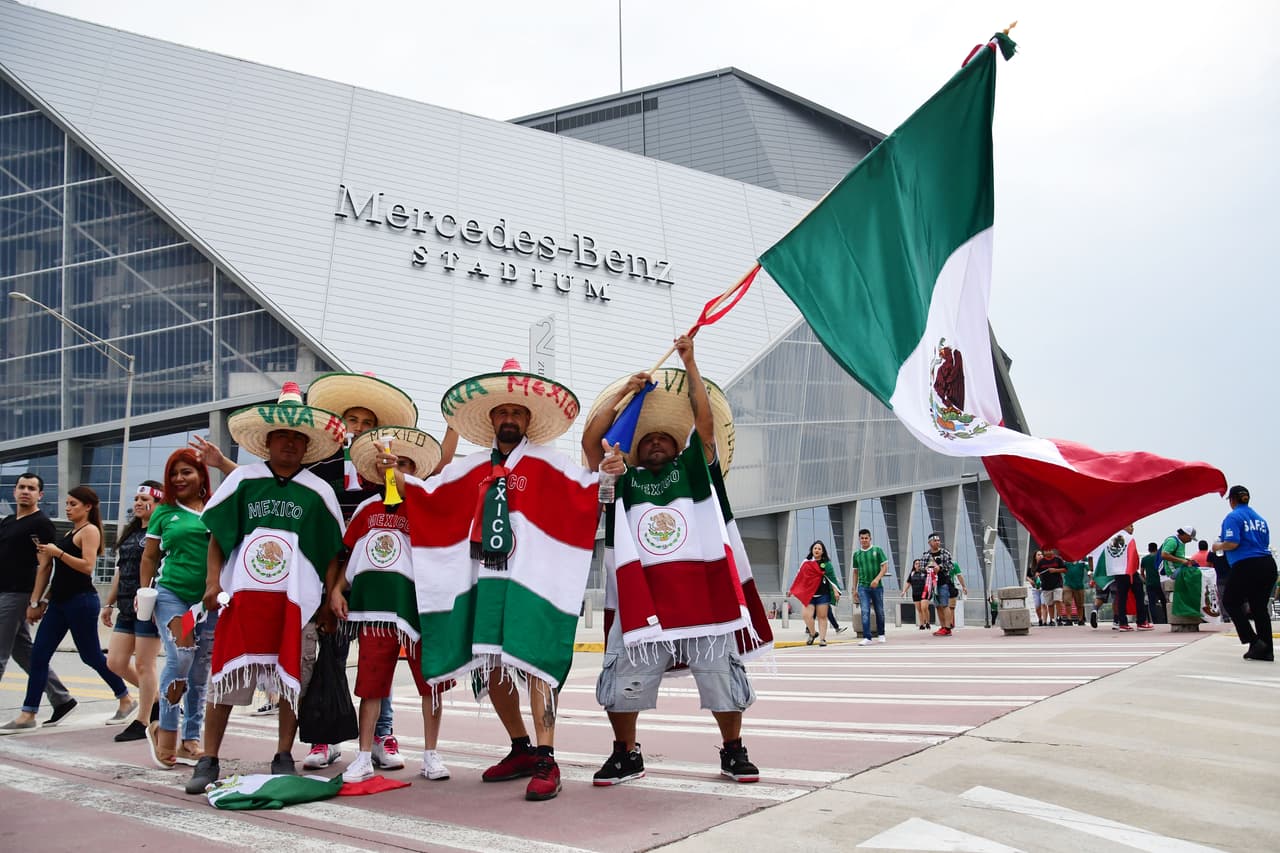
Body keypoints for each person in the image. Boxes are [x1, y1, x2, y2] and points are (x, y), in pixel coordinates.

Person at [393, 358, 623, 802]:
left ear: (528, 420)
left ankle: (546, 757)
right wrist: (391, 472)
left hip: (531, 582)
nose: (511, 419)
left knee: (535, 662)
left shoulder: (548, 464)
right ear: (492, 419)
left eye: (519, 413)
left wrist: (608, 474)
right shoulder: (471, 466)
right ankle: (520, 746)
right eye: (504, 412)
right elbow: (429, 495)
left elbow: (592, 492)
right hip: (486, 581)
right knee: (492, 663)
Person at [194, 371, 419, 772]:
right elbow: (256, 489)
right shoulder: (321, 467)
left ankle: (379, 735)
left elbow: (409, 500)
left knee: (372, 657)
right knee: (294, 667)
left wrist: (392, 470)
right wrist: (214, 581)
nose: (359, 429)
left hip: (361, 574)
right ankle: (317, 739)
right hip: (300, 581)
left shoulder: (379, 469)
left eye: (368, 424)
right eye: (353, 420)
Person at [582, 336, 763, 788]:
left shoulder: (693, 471)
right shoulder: (620, 479)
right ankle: (626, 754)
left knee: (721, 674)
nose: (657, 442)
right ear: (637, 450)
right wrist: (625, 393)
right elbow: (592, 441)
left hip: (703, 593)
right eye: (649, 439)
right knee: (623, 675)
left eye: (666, 437)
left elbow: (704, 427)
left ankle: (733, 750)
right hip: (641, 597)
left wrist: (691, 362)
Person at [184, 382, 346, 794]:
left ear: (306, 446)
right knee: (225, 677)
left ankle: (283, 754)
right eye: (282, 437)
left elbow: (330, 553)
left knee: (292, 680)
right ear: (267, 442)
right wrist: (209, 583)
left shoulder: (318, 491)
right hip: (244, 599)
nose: (290, 443)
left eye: (297, 438)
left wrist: (329, 600)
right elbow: (217, 536)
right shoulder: (243, 482)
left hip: (296, 604)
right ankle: (208, 758)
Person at [331, 425, 457, 783]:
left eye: (405, 464)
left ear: (416, 472)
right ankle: (363, 755)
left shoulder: (427, 505)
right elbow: (352, 555)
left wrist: (452, 425)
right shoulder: (367, 509)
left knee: (430, 684)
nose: (397, 469)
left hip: (419, 608)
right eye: (392, 463)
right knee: (371, 685)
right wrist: (338, 590)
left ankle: (431, 754)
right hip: (375, 611)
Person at [1, 486, 134, 733]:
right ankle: (28, 713)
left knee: (91, 655)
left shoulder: (90, 531)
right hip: (59, 601)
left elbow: (87, 566)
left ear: (88, 506)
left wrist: (57, 552)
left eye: (73, 504)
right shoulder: (72, 531)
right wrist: (42, 600)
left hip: (81, 601)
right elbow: (59, 575)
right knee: (39, 655)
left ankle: (125, 698)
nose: (68, 508)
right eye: (67, 504)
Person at [141, 450, 216, 769]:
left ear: (201, 474)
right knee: (182, 656)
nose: (179, 479)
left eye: (186, 472)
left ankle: (191, 739)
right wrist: (143, 589)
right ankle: (165, 732)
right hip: (172, 596)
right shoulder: (164, 512)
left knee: (200, 672)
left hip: (209, 600)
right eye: (174, 474)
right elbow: (149, 557)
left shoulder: (217, 507)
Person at [0, 474, 76, 726]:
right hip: (3, 590)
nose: (25, 491)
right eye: (21, 487)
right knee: (22, 650)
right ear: (14, 491)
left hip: (19, 593)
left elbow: (47, 564)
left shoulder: (42, 523)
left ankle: (53, 701)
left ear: (40, 495)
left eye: (31, 488)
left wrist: (38, 600)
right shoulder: (8, 521)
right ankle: (61, 698)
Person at [103, 481, 164, 742]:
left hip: (150, 605)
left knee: (143, 664)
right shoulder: (129, 534)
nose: (138, 502)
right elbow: (120, 570)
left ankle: (143, 720)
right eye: (136, 498)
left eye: (144, 498)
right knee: (115, 662)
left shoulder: (160, 530)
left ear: (159, 502)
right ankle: (160, 701)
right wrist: (109, 603)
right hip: (126, 605)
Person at [1214, 485, 1276, 662]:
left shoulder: (1233, 517)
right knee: (1259, 608)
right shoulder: (1260, 519)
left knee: (1230, 602)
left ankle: (1253, 640)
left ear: (1232, 500)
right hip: (1267, 564)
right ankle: (1266, 650)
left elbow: (1232, 543)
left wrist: (1218, 546)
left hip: (1247, 564)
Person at [791, 541, 842, 647]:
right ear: (812, 550)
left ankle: (823, 639)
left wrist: (836, 591)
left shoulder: (827, 564)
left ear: (822, 551)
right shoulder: (806, 563)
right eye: (815, 548)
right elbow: (799, 577)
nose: (817, 550)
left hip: (823, 594)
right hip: (809, 595)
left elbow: (831, 579)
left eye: (819, 549)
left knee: (822, 617)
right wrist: (793, 590)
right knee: (806, 616)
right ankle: (813, 633)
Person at [851, 529, 889, 645]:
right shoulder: (857, 554)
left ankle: (881, 634)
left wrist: (877, 579)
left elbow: (885, 567)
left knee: (879, 610)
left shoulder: (877, 550)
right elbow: (855, 572)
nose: (864, 540)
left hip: (877, 587)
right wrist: (854, 588)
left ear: (870, 538)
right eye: (862, 538)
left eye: (866, 538)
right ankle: (867, 637)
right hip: (863, 587)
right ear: (859, 539)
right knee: (865, 611)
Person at [1164, 525, 1205, 622]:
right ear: (1185, 534)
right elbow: (1164, 555)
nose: (1190, 540)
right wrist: (1182, 561)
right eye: (1190, 538)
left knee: (1198, 570)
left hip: (1180, 568)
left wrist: (1187, 560)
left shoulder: (1181, 542)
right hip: (1173, 571)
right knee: (1195, 574)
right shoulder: (1173, 541)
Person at [921, 534, 956, 636]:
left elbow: (950, 565)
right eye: (935, 540)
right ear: (929, 542)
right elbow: (922, 568)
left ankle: (948, 627)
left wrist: (940, 568)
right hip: (932, 585)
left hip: (943, 582)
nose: (937, 542)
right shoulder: (926, 555)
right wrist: (928, 569)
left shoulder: (945, 553)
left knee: (945, 605)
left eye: (938, 540)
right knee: (938, 606)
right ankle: (942, 626)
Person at [1035, 548, 1068, 626]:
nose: (1048, 551)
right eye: (1046, 550)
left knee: (1058, 600)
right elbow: (1037, 571)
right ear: (1044, 552)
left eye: (1050, 550)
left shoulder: (1058, 559)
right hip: (1046, 585)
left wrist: (1055, 570)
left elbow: (1065, 569)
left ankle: (1059, 617)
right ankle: (1052, 619)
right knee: (1050, 604)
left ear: (1052, 551)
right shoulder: (1041, 562)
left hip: (1057, 584)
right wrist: (1037, 574)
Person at [1140, 542, 1168, 624]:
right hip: (1160, 583)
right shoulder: (1160, 558)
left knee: (1152, 603)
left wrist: (1145, 581)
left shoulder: (1145, 559)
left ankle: (1155, 621)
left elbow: (1142, 573)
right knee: (1164, 601)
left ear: (1148, 549)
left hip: (1149, 584)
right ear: (1157, 549)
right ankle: (1166, 619)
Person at [906, 559, 930, 629]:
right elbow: (908, 583)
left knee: (924, 608)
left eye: (919, 563)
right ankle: (922, 624)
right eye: (916, 563)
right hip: (916, 593)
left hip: (924, 592)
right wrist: (904, 591)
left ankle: (927, 622)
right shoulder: (912, 573)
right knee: (919, 610)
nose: (918, 565)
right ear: (914, 565)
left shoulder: (925, 572)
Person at [1026, 549, 1046, 626]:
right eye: (1038, 555)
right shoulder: (1032, 566)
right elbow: (1027, 576)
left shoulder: (1045, 565)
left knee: (1044, 604)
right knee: (1037, 606)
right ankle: (1040, 619)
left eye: (1041, 554)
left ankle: (1044, 621)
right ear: (1035, 557)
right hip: (1035, 588)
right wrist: (1030, 580)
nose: (1041, 556)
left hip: (1044, 587)